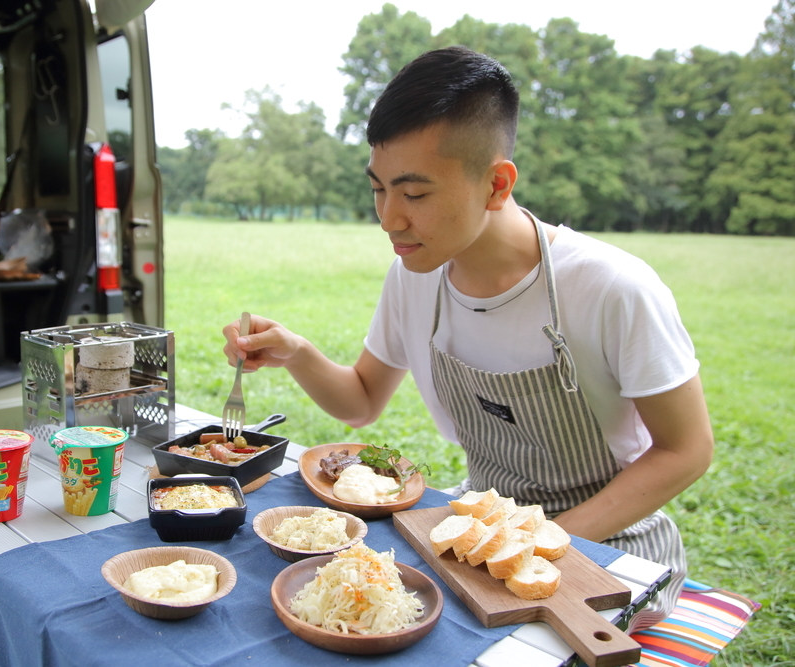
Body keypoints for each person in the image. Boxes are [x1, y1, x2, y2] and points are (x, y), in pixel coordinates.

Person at [222, 46, 713, 630]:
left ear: (497, 183)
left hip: (611, 541)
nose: (388, 218)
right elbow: (360, 401)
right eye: (378, 188)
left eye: (415, 194)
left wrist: (541, 540)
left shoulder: (612, 288)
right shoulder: (414, 276)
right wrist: (297, 353)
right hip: (476, 533)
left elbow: (686, 450)